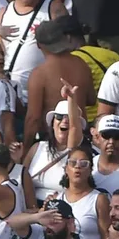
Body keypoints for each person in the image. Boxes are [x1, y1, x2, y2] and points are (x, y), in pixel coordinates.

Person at [23, 16, 96, 147]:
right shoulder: (82, 64)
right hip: (81, 138)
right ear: (64, 39)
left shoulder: (39, 74)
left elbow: (33, 119)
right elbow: (91, 99)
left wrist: (26, 150)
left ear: (39, 45)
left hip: (54, 141)